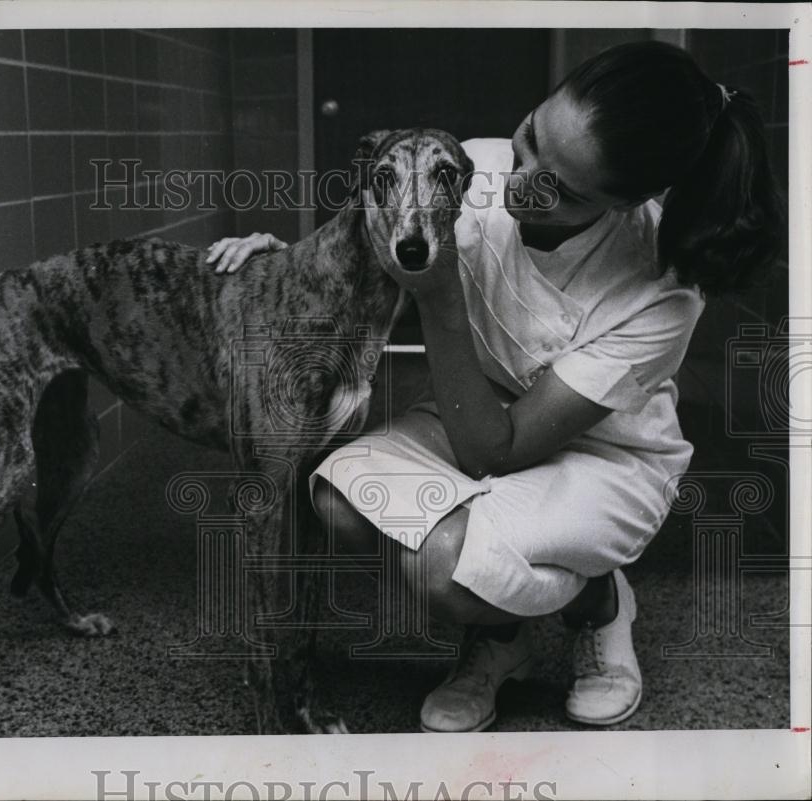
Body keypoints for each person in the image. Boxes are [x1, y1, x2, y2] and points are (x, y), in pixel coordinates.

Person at [205, 41, 785, 732]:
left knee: (443, 569)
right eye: (531, 137)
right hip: (474, 410)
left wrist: (442, 299)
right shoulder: (470, 167)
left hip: (596, 457)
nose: (524, 183)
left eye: (565, 189)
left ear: (631, 201)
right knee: (335, 497)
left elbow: (495, 450)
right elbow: (368, 245)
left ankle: (595, 601)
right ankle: (506, 629)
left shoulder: (663, 290)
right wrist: (278, 267)